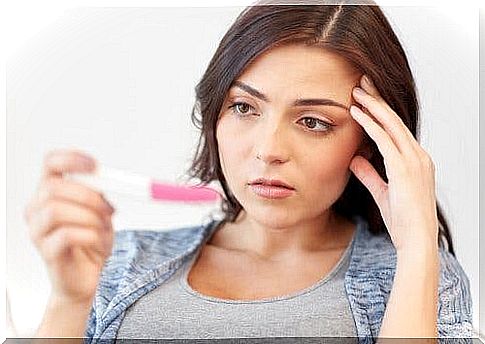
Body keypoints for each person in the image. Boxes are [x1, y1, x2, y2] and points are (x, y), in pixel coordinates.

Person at [24, 1, 474, 343]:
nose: (268, 150)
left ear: (374, 142)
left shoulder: (416, 275)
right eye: (244, 107)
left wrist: (417, 253)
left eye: (313, 121)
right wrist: (69, 302)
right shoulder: (117, 262)